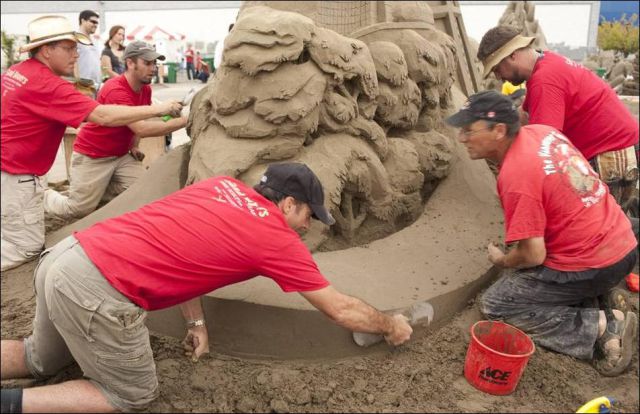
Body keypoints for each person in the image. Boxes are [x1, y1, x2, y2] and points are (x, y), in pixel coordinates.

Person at [0, 162, 413, 412]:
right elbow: (340, 309)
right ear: (288, 203)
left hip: (66, 256)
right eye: (309, 215)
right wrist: (390, 325)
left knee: (38, 359)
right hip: (98, 290)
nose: (309, 225)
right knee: (130, 394)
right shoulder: (276, 239)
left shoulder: (221, 186)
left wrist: (196, 322)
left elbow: (183, 252)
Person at [446, 90, 638, 377]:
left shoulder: (516, 175)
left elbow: (533, 254)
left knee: (499, 303)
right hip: (622, 243)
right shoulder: (542, 132)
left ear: (498, 130)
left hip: (596, 263)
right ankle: (601, 297)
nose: (462, 138)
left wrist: (503, 261)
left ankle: (602, 328)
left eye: (469, 130)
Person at [0, 15, 183, 272]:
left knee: (139, 193)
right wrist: (166, 111)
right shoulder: (47, 85)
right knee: (26, 248)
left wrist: (134, 140)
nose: (77, 54)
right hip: (21, 173)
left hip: (20, 170)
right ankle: (39, 199)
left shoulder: (18, 72)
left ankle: (36, 198)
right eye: (69, 48)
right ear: (46, 50)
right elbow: (104, 116)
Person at [477, 26, 639, 214]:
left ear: (513, 55)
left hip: (610, 155)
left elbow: (545, 147)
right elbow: (523, 114)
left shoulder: (545, 81)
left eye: (497, 68)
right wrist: (492, 126)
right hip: (617, 147)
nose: (498, 76)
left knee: (599, 227)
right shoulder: (547, 62)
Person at [44, 41, 188, 220]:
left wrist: (134, 145)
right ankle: (44, 195)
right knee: (77, 210)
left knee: (145, 192)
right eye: (147, 63)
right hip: (93, 156)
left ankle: (101, 189)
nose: (153, 68)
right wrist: (184, 122)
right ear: (130, 63)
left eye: (155, 64)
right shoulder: (115, 90)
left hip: (120, 156)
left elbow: (135, 121)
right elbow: (142, 128)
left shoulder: (145, 89)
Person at [74, 10, 101, 95]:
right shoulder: (75, 38)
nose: (95, 25)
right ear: (83, 21)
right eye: (93, 21)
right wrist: (78, 83)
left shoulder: (94, 40)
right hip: (83, 85)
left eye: (97, 23)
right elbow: (73, 61)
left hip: (96, 85)